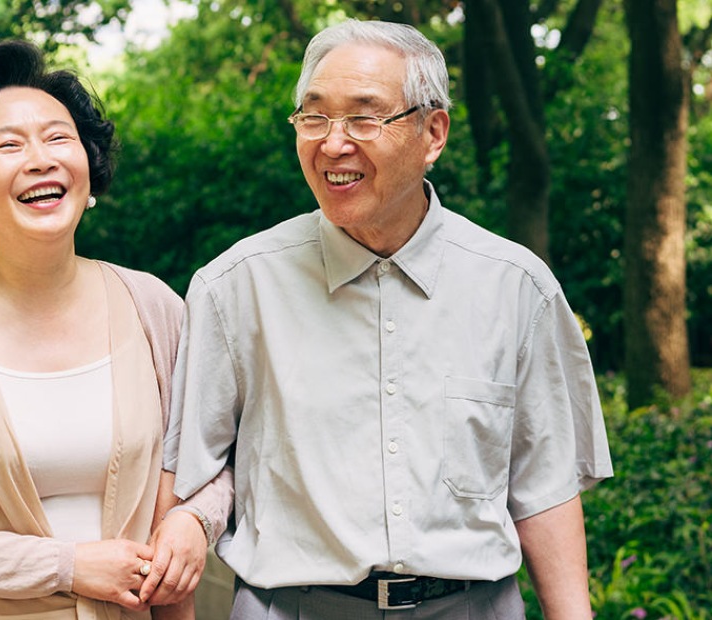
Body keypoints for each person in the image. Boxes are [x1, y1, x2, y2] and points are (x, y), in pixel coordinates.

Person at [163, 19, 613, 619]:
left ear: (433, 133)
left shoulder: (517, 287)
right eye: (314, 117)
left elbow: (545, 489)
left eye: (364, 117)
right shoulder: (235, 288)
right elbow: (192, 474)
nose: (332, 143)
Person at [0, 39, 231, 620]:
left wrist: (194, 520)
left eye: (59, 138)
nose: (41, 159)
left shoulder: (154, 305)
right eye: (9, 145)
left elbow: (216, 456)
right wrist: (68, 564)